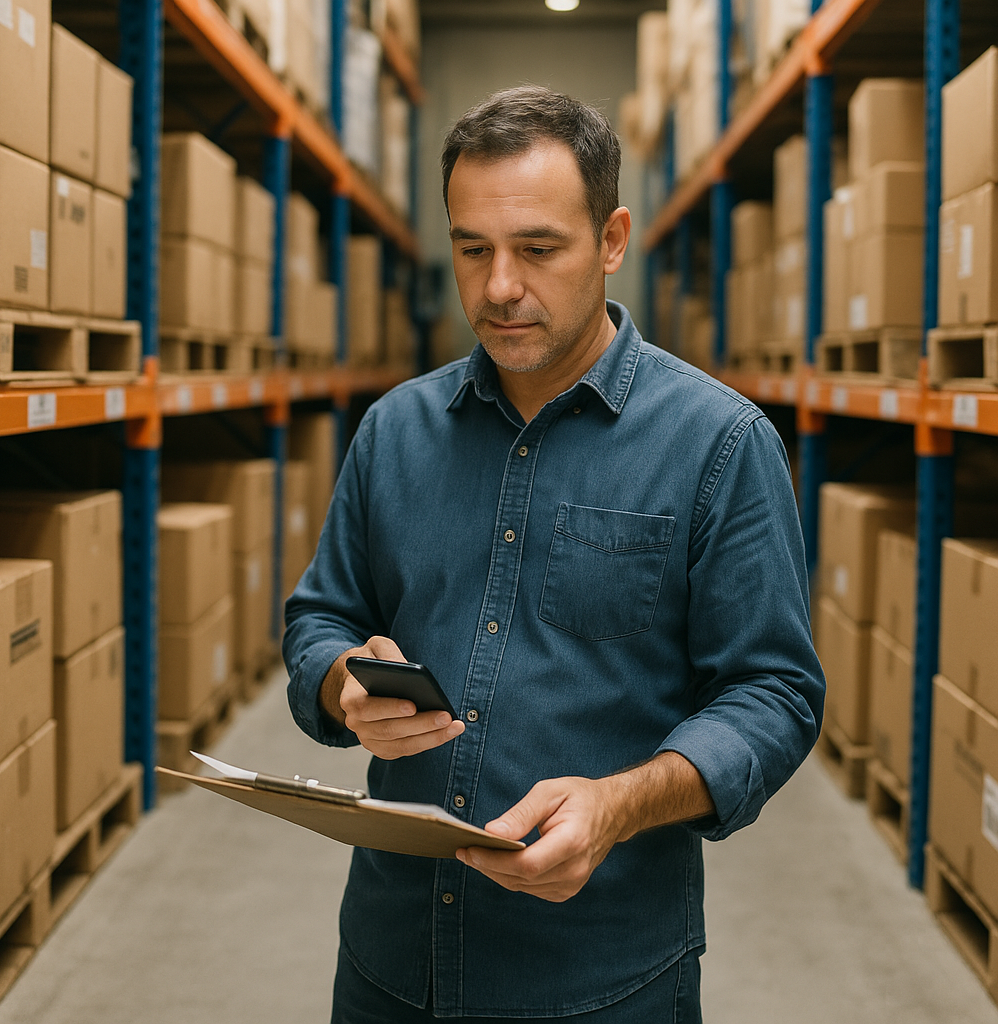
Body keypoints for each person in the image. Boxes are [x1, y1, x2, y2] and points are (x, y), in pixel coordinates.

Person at [283, 85, 825, 1023]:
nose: (498, 287)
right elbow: (320, 616)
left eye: (537, 250)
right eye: (472, 250)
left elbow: (773, 695)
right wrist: (342, 682)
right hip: (387, 963)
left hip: (599, 978)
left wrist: (615, 805)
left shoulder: (719, 445)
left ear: (611, 241)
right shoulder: (394, 431)